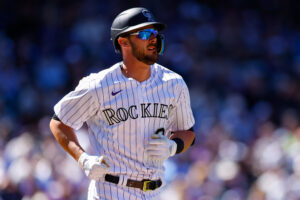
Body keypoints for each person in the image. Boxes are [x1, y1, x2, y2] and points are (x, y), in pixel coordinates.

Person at [49, 7, 195, 200]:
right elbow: (59, 121)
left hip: (155, 192)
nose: (153, 39)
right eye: (145, 33)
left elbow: (188, 132)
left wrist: (173, 146)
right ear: (123, 41)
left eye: (155, 33)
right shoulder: (99, 85)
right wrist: (82, 158)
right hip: (111, 190)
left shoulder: (174, 83)